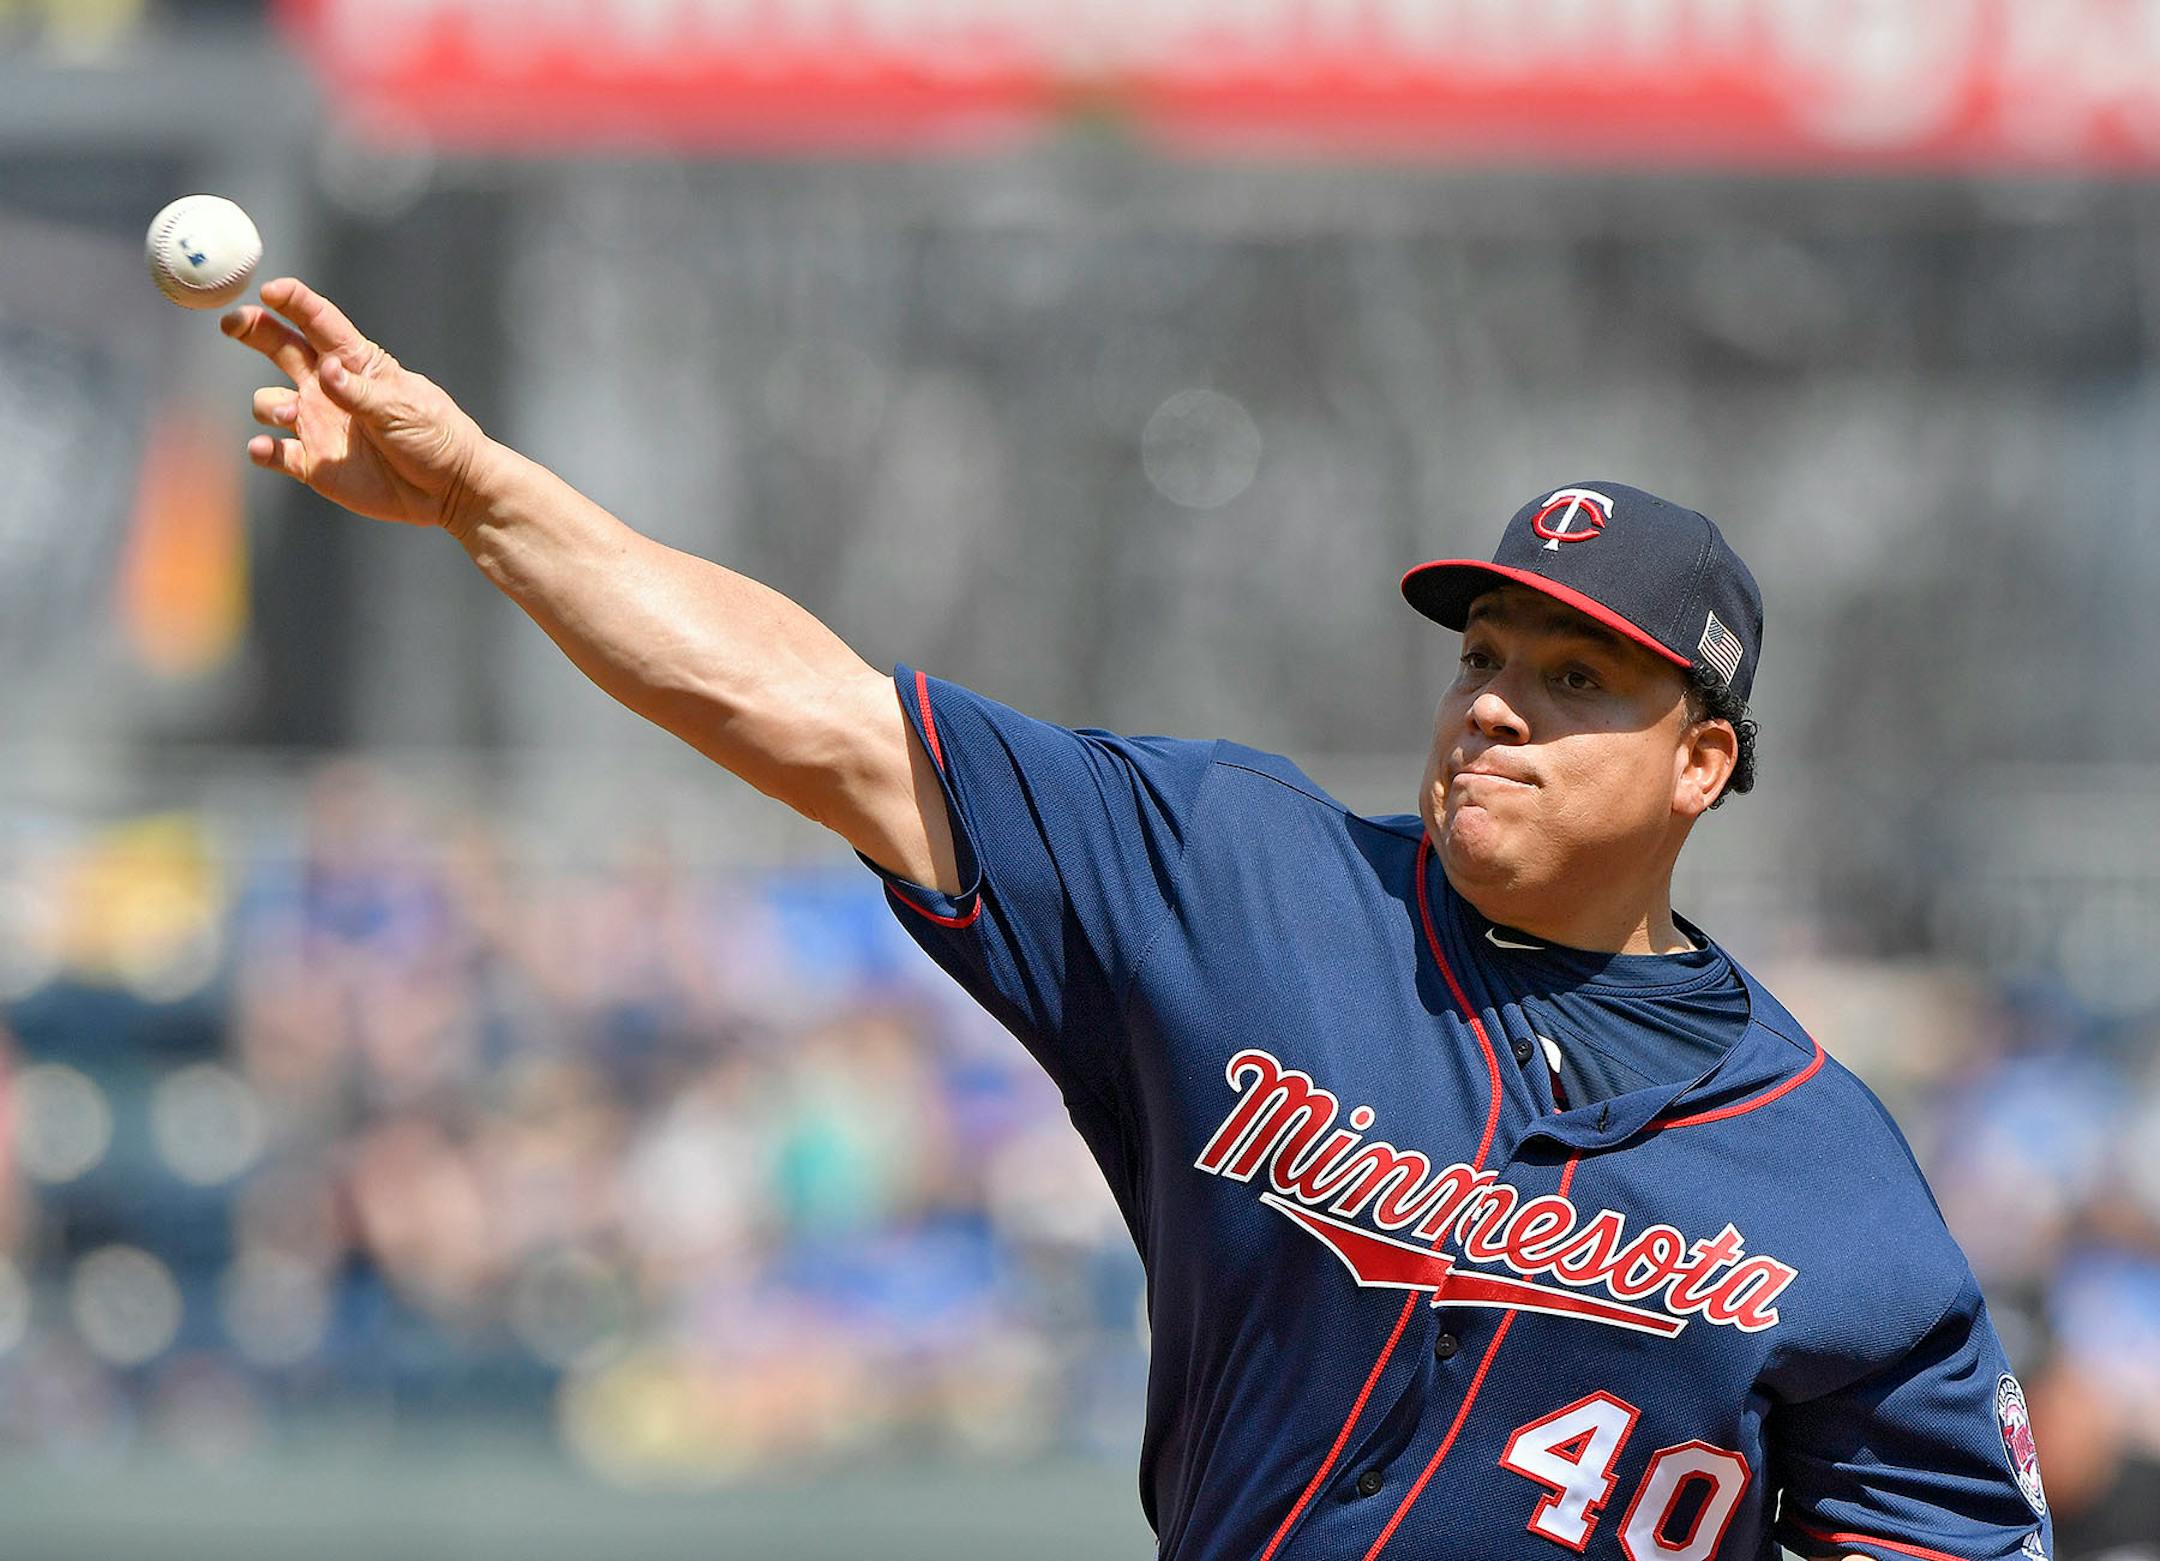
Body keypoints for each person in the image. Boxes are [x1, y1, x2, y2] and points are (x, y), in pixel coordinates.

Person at [223, 278, 2054, 1561]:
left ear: (1701, 762)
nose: (1494, 700)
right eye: (1483, 654)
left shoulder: (1835, 1177)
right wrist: (482, 495)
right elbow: (817, 717)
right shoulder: (1235, 877)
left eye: (1578, 676)